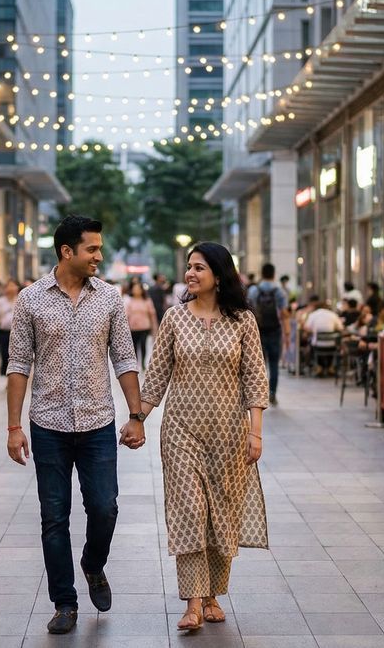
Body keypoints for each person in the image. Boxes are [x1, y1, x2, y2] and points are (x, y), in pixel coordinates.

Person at [5, 215, 143, 635]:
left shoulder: (109, 298)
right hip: (48, 424)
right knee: (54, 517)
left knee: (105, 507)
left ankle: (93, 564)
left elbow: (124, 357)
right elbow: (18, 364)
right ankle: (64, 603)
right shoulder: (30, 299)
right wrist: (13, 427)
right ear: (67, 252)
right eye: (92, 249)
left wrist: (136, 415)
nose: (99, 255)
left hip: (97, 422)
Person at [136, 241, 269, 632]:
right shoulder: (174, 318)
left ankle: (213, 595)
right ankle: (193, 603)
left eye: (199, 268)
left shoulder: (242, 321)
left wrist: (255, 433)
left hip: (229, 433)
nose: (190, 274)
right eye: (189, 267)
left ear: (219, 275)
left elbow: (254, 377)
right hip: (181, 430)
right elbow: (157, 375)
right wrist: (137, 418)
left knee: (222, 514)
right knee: (190, 511)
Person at [247, 263, 288, 406]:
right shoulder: (279, 291)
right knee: (274, 363)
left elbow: (249, 311)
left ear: (262, 273)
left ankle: (260, 394)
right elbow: (284, 314)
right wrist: (287, 333)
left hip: (258, 331)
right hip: (275, 330)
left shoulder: (253, 290)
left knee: (259, 364)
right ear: (274, 274)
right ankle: (272, 393)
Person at [125, 281, 158, 370]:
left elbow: (152, 314)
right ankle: (135, 363)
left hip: (145, 327)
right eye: (134, 289)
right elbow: (126, 315)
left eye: (138, 289)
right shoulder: (129, 301)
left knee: (143, 345)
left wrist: (154, 326)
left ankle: (143, 363)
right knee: (134, 346)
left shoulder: (147, 300)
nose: (136, 290)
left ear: (142, 290)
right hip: (133, 328)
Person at [0, 279, 20, 377]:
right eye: (9, 286)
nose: (11, 288)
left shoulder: (21, 299)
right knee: (4, 353)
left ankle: (14, 375)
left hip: (18, 332)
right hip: (4, 332)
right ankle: (6, 373)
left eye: (13, 285)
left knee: (16, 355)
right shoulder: (1, 301)